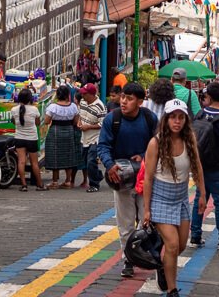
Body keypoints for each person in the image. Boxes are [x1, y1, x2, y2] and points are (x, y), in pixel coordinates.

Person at [143, 99, 205, 297]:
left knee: (180, 245)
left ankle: (163, 266)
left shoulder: (190, 140)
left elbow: (197, 168)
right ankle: (172, 290)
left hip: (181, 198)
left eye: (181, 118)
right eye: (173, 117)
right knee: (171, 244)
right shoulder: (156, 142)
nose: (177, 122)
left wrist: (202, 194)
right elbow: (148, 177)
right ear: (166, 119)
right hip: (160, 197)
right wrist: (146, 209)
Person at [97, 82, 158, 278]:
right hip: (121, 179)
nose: (123, 101)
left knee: (147, 222)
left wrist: (143, 155)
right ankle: (128, 259)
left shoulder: (150, 119)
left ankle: (144, 254)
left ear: (140, 102)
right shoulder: (111, 119)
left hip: (145, 179)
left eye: (129, 99)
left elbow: (158, 144)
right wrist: (109, 165)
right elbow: (103, 146)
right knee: (125, 225)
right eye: (123, 97)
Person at [189, 81, 219, 250]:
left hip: (201, 165)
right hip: (218, 167)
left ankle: (195, 236)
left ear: (208, 96)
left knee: (199, 200)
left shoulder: (200, 114)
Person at [43, 84, 80, 189]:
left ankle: (55, 181)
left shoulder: (52, 107)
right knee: (68, 155)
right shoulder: (73, 106)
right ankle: (68, 181)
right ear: (68, 95)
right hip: (69, 131)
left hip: (55, 131)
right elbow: (75, 121)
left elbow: (46, 121)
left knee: (55, 155)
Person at [11, 88, 44, 192]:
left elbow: (13, 122)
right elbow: (38, 123)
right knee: (34, 163)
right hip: (32, 139)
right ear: (30, 99)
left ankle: (24, 185)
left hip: (19, 138)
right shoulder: (34, 110)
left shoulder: (14, 110)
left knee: (21, 161)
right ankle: (39, 184)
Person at [77, 83, 106, 193]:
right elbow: (81, 114)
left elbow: (102, 124)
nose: (83, 96)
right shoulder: (83, 102)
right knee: (85, 159)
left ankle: (94, 184)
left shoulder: (100, 106)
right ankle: (97, 175)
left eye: (85, 94)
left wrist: (89, 126)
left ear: (91, 94)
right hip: (84, 137)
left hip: (95, 137)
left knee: (91, 160)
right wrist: (80, 122)